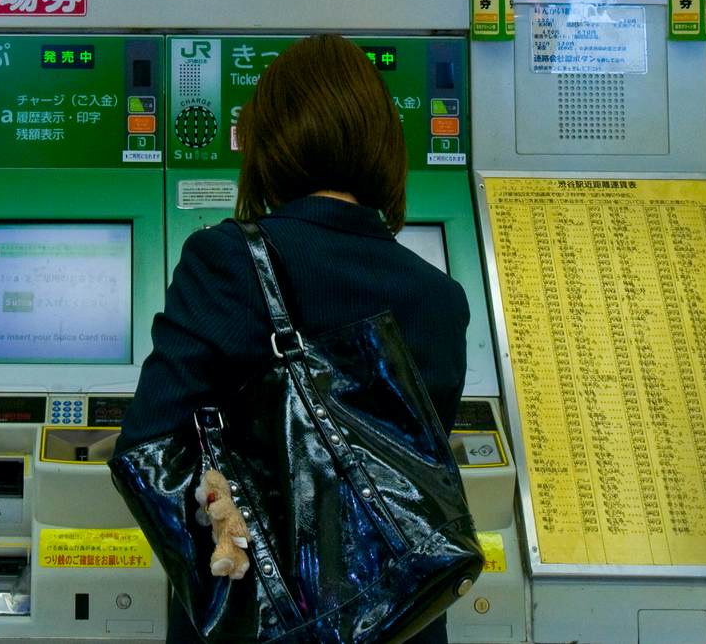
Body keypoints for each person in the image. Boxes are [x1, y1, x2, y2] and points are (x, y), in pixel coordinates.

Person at [118, 34, 471, 644]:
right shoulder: (440, 295)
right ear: (385, 146)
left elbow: (148, 447)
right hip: (400, 620)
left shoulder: (226, 259)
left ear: (267, 147)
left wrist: (223, 510)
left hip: (269, 618)